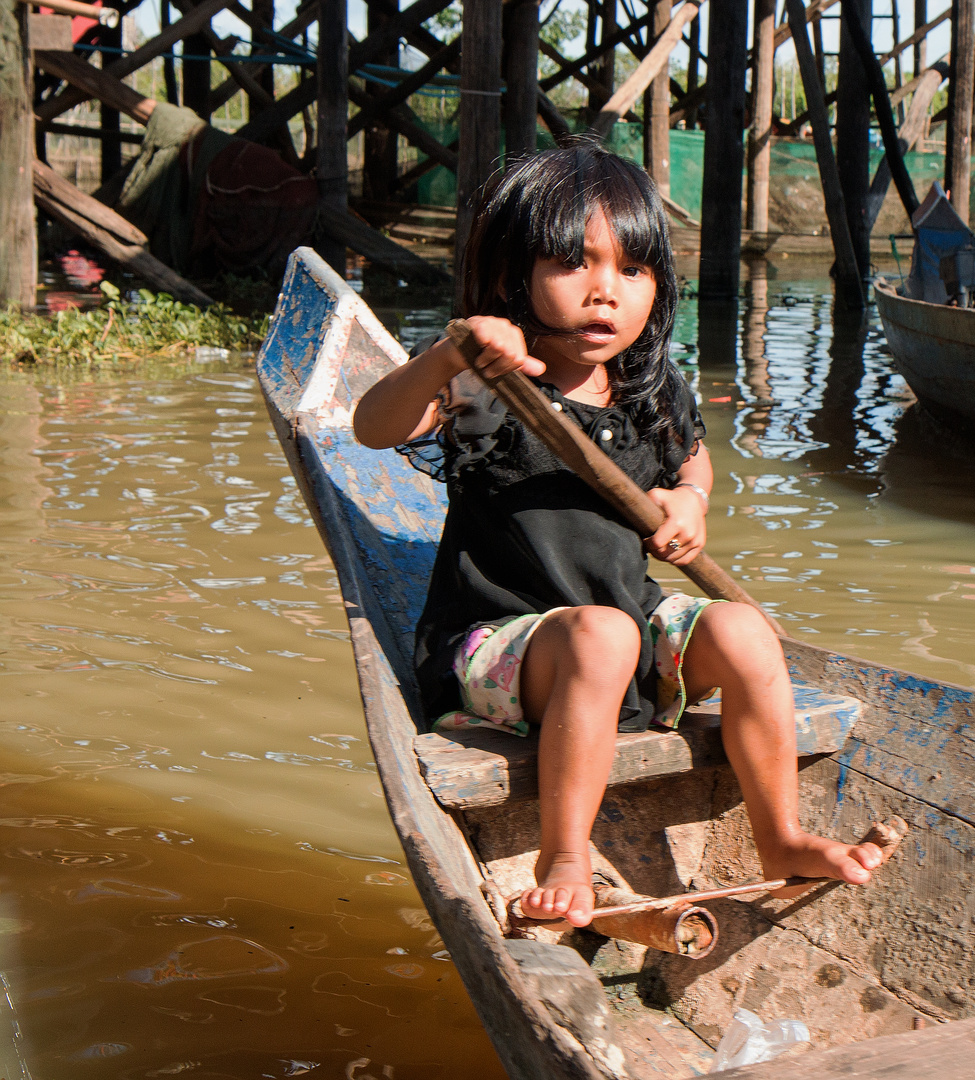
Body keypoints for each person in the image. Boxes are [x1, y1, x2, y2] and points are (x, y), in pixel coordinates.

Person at [352, 142, 884, 928]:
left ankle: (781, 836)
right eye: (575, 265)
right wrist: (445, 355)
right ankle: (564, 852)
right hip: (498, 654)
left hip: (624, 630)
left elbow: (694, 467)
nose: (605, 292)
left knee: (741, 630)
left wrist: (689, 504)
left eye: (632, 271)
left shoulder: (648, 388)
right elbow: (372, 427)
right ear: (514, 276)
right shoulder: (487, 383)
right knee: (600, 637)